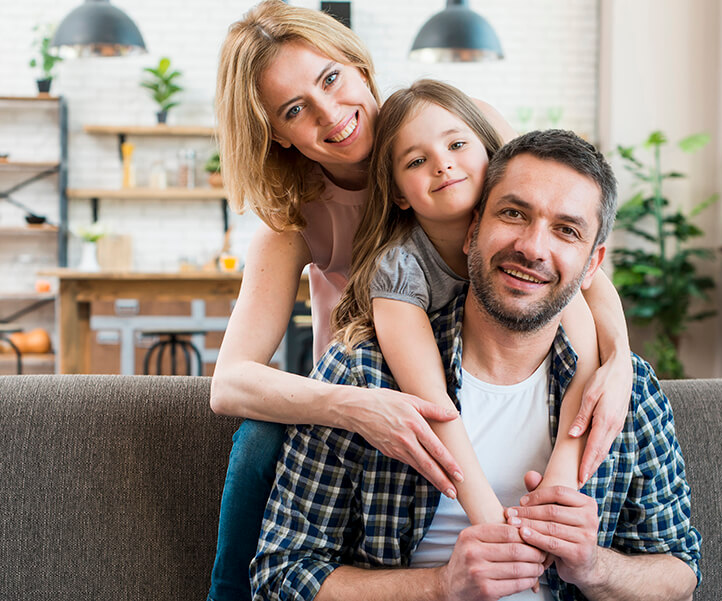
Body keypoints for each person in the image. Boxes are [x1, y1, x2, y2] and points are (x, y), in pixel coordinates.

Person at [208, 3, 633, 600]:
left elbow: (569, 255)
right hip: (381, 394)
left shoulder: (468, 129)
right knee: (260, 439)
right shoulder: (295, 218)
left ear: (358, 67)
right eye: (296, 109)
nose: (330, 114)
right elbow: (229, 382)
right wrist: (353, 406)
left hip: (501, 364)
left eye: (331, 78)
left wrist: (619, 361)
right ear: (277, 132)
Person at [252, 129, 702, 601]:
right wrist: (439, 586)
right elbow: (279, 576)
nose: (532, 247)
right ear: (472, 232)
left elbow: (681, 573)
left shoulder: (625, 392)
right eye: (513, 213)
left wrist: (594, 567)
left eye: (566, 230)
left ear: (592, 266)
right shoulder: (362, 374)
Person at [331, 79, 615, 526]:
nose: (443, 166)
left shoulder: (536, 245)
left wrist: (565, 463)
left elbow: (581, 333)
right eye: (418, 160)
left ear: (488, 153)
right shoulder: (399, 269)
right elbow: (433, 403)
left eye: (458, 145)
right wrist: (488, 517)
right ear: (399, 192)